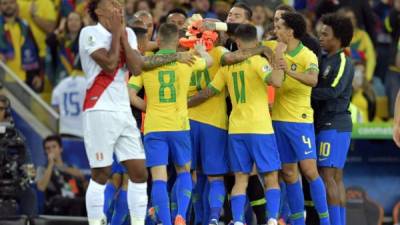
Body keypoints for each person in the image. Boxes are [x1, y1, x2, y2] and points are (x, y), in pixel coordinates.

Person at [188, 24, 284, 225]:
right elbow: (276, 81)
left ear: (238, 42)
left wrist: (185, 103)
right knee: (271, 176)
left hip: (236, 129)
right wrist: (277, 58)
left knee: (240, 178)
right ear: (255, 42)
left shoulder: (227, 67)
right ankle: (273, 219)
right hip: (260, 128)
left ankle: (238, 220)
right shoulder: (258, 61)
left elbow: (209, 92)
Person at [128, 23, 212, 225]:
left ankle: (165, 222)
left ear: (157, 41)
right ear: (177, 42)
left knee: (159, 178)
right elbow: (208, 62)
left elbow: (129, 94)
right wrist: (200, 50)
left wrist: (147, 107)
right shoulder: (187, 61)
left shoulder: (147, 64)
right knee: (184, 172)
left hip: (154, 126)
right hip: (179, 126)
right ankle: (181, 215)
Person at [79, 1, 148, 225]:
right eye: (111, 2)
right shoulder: (89, 33)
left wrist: (123, 36)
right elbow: (109, 64)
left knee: (139, 172)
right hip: (98, 108)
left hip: (122, 110)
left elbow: (137, 69)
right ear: (98, 10)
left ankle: (138, 222)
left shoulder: (128, 32)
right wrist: (118, 32)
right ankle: (95, 221)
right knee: (102, 172)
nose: (118, 5)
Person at [270, 12, 330, 225]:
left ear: (290, 31)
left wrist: (289, 71)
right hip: (277, 119)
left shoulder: (307, 56)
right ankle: (297, 222)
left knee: (309, 170)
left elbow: (313, 80)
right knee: (287, 173)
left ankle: (325, 221)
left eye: (279, 27)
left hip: (300, 121)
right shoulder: (273, 48)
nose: (275, 30)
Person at [312, 13, 355, 225]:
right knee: (335, 178)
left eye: (325, 34)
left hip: (335, 124)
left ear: (337, 38)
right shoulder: (324, 58)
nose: (320, 36)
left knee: (328, 176)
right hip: (327, 124)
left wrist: (306, 92)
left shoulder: (343, 60)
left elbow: (334, 90)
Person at [36, 135, 86, 216]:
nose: (51, 150)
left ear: (61, 149)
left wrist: (62, 168)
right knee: (73, 202)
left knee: (83, 201)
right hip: (54, 202)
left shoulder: (71, 168)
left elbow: (81, 177)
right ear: (45, 152)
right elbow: (41, 187)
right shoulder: (42, 169)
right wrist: (51, 164)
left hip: (72, 199)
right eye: (48, 148)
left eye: (54, 147)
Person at [0, 0, 41, 92]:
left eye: (11, 3)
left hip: (23, 80)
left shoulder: (24, 26)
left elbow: (34, 50)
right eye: (4, 3)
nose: (8, 6)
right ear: (0, 6)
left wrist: (35, 75)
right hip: (2, 80)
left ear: (16, 5)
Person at [51, 64, 86, 138]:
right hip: (82, 132)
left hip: (64, 131)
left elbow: (55, 110)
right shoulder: (88, 83)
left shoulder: (61, 84)